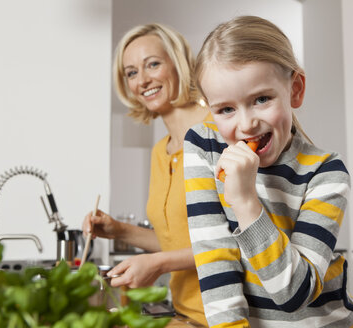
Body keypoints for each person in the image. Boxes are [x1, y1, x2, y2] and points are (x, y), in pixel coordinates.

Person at [183, 16, 353, 327]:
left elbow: (295, 294)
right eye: (226, 109)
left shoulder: (326, 172)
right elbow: (214, 260)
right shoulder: (204, 146)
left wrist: (245, 202)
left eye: (261, 99)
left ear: (295, 90)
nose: (246, 124)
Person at [83, 23, 210, 326]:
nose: (143, 80)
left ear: (177, 64)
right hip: (187, 316)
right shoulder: (160, 151)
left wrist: (159, 264)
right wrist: (119, 230)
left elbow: (238, 242)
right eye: (131, 72)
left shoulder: (218, 131)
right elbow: (176, 241)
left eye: (153, 64)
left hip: (230, 316)